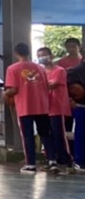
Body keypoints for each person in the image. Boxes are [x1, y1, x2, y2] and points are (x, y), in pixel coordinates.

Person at [4, 42, 52, 174]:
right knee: (46, 134)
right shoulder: (40, 68)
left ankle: (31, 164)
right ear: (29, 52)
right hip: (41, 105)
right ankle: (52, 161)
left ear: (16, 53)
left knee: (28, 136)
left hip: (25, 106)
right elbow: (47, 86)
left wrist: (5, 94)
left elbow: (14, 89)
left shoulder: (12, 69)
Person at [39, 46, 71, 174]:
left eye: (44, 55)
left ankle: (67, 161)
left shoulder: (60, 71)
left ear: (51, 56)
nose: (42, 58)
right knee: (46, 135)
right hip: (43, 108)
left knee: (59, 135)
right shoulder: (40, 72)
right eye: (39, 55)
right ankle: (51, 160)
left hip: (57, 108)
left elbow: (51, 85)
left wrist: (35, 86)